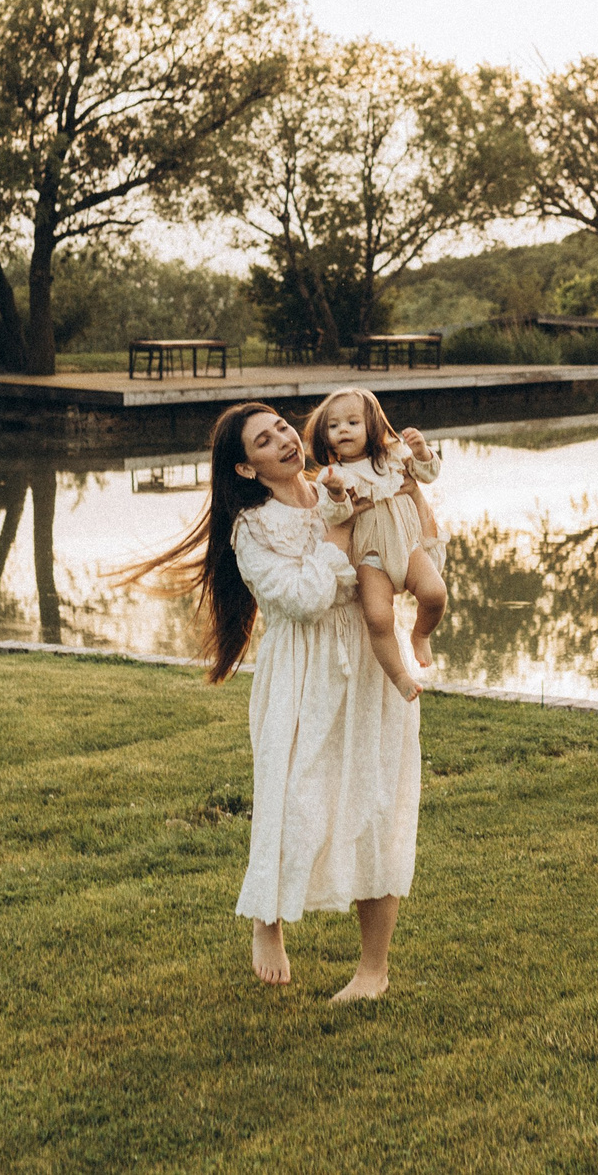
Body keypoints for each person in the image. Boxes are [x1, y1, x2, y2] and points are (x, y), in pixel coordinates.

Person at [123, 401, 422, 1002]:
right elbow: (303, 599)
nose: (286, 440)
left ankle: (373, 970)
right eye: (265, 441)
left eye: (284, 427)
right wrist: (341, 532)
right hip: (303, 675)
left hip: (368, 662)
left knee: (375, 802)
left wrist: (406, 466)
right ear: (245, 468)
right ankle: (268, 921)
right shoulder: (253, 529)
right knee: (295, 798)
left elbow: (401, 544)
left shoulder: (340, 482)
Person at [305, 385, 448, 676]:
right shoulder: (333, 476)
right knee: (379, 617)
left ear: (373, 426)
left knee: (435, 594)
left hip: (409, 546)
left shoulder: (393, 457)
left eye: (353, 423)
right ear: (325, 436)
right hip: (371, 558)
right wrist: (335, 495)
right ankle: (399, 675)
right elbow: (335, 516)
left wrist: (421, 451)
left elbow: (428, 475)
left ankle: (421, 634)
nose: (343, 430)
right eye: (334, 426)